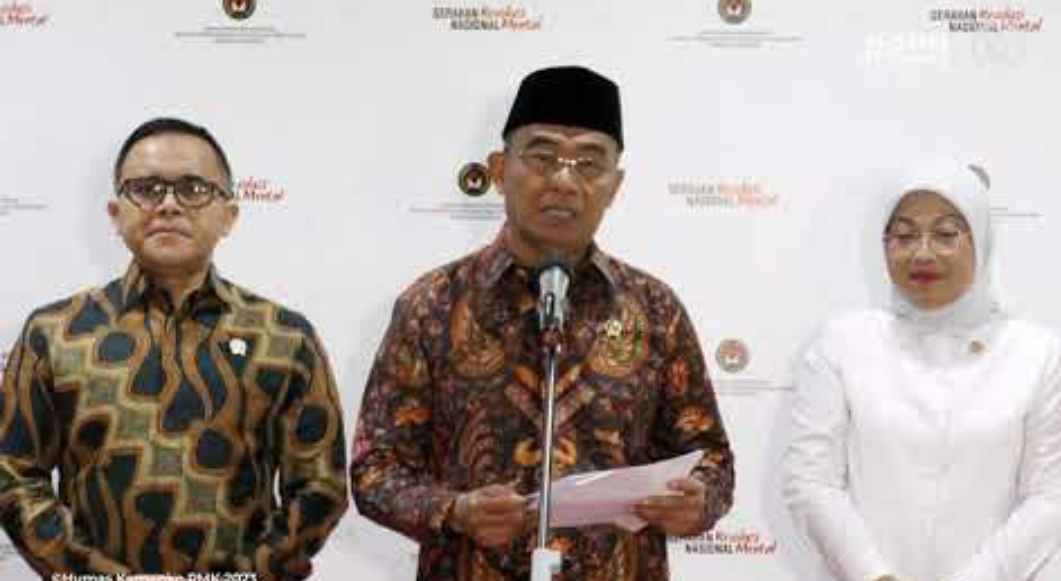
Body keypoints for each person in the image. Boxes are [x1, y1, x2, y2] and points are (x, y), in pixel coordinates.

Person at [350, 65, 735, 580]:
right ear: (498, 169)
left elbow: (711, 459)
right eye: (543, 156)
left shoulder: (655, 309)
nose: (564, 180)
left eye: (589, 163)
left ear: (615, 186)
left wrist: (698, 501)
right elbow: (375, 470)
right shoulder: (434, 304)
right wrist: (454, 510)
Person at [0, 118, 349, 579]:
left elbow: (321, 487)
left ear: (229, 215)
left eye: (194, 188)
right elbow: (13, 475)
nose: (168, 204)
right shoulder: (55, 333)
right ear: (115, 213)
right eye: (146, 189)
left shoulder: (283, 337)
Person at [783, 162, 1061, 581]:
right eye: (904, 235)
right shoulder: (842, 342)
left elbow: (1049, 496)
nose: (923, 253)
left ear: (982, 240)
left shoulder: (1037, 353)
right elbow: (810, 481)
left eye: (946, 234)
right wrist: (875, 577)